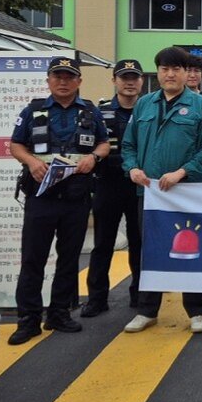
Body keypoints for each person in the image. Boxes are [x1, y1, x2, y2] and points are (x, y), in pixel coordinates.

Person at [7, 57, 111, 345]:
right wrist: (31, 162)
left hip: (76, 197)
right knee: (33, 259)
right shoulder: (33, 110)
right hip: (41, 197)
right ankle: (28, 320)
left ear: (79, 81)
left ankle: (59, 313)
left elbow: (104, 143)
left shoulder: (90, 111)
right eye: (58, 76)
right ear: (49, 80)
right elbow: (15, 144)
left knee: (68, 258)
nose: (63, 82)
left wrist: (94, 157)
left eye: (69, 77)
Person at [121, 47, 202, 334]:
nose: (170, 74)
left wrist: (182, 172)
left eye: (177, 68)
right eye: (165, 69)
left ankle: (197, 311)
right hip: (150, 194)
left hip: (187, 193)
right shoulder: (144, 104)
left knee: (191, 249)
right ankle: (147, 310)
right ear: (158, 72)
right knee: (150, 251)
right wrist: (132, 168)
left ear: (187, 73)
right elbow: (128, 145)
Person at [81, 60, 146, 317]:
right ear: (114, 81)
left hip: (140, 186)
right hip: (108, 183)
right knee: (103, 243)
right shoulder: (100, 112)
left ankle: (140, 294)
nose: (129, 82)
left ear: (141, 81)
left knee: (139, 242)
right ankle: (97, 299)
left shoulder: (149, 111)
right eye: (124, 77)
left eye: (134, 77)